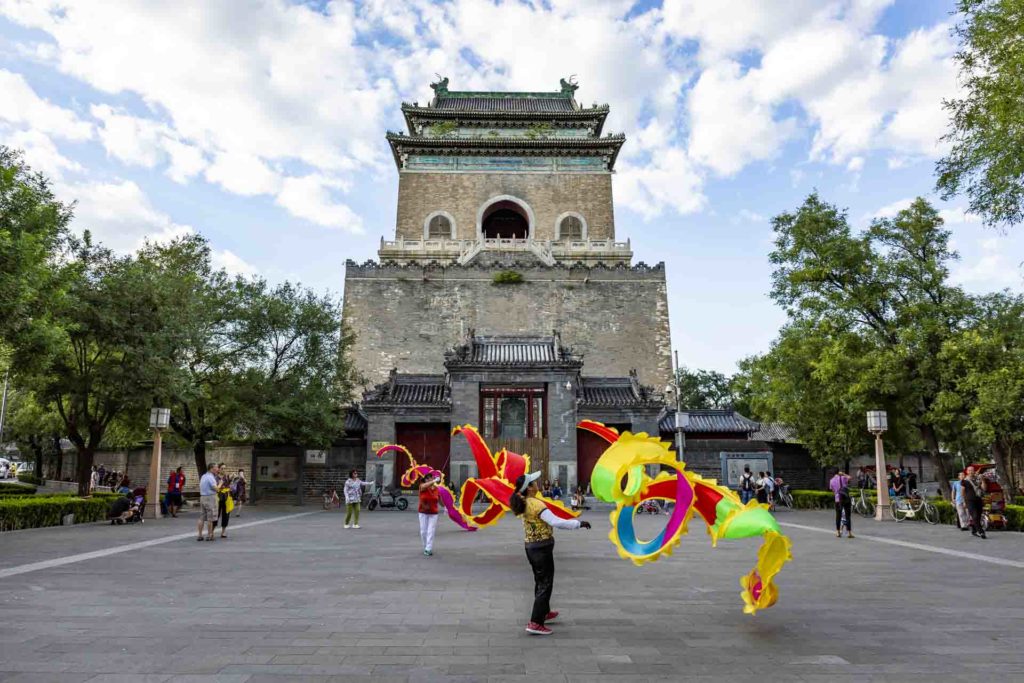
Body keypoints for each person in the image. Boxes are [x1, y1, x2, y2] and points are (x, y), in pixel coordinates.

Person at [509, 471, 591, 635]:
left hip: (531, 547)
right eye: (533, 482)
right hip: (541, 548)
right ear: (530, 488)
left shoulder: (523, 502)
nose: (537, 483)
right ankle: (535, 622)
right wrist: (578, 523)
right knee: (545, 583)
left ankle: (544, 612)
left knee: (540, 581)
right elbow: (556, 522)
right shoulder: (537, 504)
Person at [418, 473, 440, 556]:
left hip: (433, 512)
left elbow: (439, 500)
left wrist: (446, 507)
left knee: (431, 530)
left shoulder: (436, 489)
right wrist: (434, 481)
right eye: (430, 478)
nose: (432, 479)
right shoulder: (422, 487)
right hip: (423, 512)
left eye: (432, 478)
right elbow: (424, 486)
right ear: (426, 480)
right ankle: (425, 546)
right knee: (423, 531)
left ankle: (428, 548)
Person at [962, 466, 987, 539]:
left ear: (974, 471)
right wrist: (964, 501)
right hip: (969, 500)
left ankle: (974, 529)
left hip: (978, 499)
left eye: (972, 470)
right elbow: (962, 492)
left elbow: (984, 488)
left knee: (978, 516)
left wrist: (983, 480)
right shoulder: (965, 481)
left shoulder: (978, 479)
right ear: (967, 472)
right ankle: (981, 531)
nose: (970, 472)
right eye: (969, 470)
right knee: (975, 515)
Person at [197, 463, 219, 542]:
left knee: (202, 517)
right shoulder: (210, 477)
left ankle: (200, 535)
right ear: (212, 468)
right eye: (216, 467)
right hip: (210, 498)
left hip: (202, 497)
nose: (218, 469)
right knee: (210, 517)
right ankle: (209, 535)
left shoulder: (203, 476)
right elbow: (216, 489)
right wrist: (220, 484)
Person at [829, 470, 854, 538]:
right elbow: (850, 477)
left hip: (838, 499)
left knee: (838, 515)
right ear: (838, 472)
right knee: (848, 515)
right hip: (846, 498)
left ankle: (837, 532)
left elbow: (833, 490)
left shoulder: (831, 480)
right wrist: (843, 474)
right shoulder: (843, 478)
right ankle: (849, 533)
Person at [215, 463, 233, 539]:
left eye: (225, 468)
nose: (223, 470)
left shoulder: (226, 477)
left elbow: (230, 484)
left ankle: (223, 531)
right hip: (218, 498)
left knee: (226, 515)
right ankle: (212, 530)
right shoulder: (215, 477)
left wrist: (232, 478)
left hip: (226, 498)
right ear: (218, 469)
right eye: (222, 468)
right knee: (216, 514)